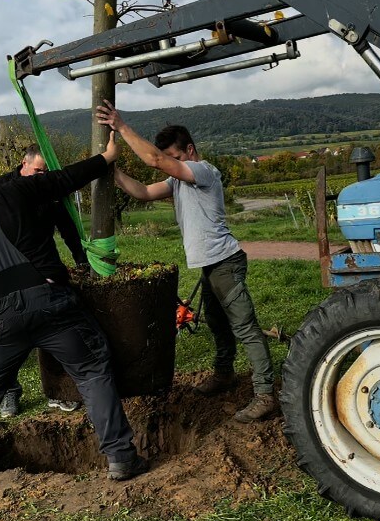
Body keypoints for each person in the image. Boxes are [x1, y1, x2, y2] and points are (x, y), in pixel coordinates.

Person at [0, 132, 147, 488]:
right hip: (48, 301)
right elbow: (63, 179)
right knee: (91, 370)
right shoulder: (9, 191)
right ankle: (121, 458)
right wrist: (106, 157)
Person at [96, 100, 276, 423]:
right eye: (170, 159)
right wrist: (111, 169)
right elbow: (142, 192)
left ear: (190, 151)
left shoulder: (203, 171)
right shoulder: (178, 181)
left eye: (175, 158)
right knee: (220, 326)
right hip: (210, 267)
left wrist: (121, 127)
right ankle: (224, 374)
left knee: (245, 327)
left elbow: (154, 160)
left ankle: (265, 394)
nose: (169, 164)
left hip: (225, 262)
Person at [0, 145, 87, 417]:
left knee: (54, 329)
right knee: (8, 335)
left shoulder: (50, 192)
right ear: (24, 164)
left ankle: (59, 391)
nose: (43, 176)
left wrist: (81, 261)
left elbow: (68, 230)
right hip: (8, 270)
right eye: (39, 171)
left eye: (46, 172)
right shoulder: (0, 188)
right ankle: (9, 392)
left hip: (44, 269)